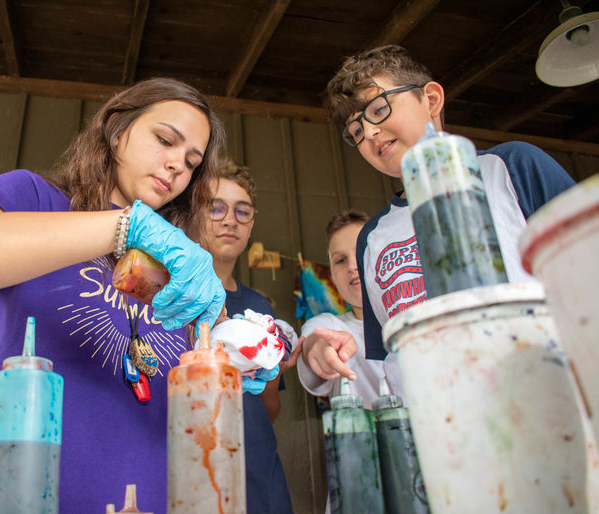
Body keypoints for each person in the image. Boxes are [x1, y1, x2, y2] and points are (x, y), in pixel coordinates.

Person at [0, 77, 227, 514]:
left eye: (191, 162)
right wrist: (122, 227)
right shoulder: (34, 199)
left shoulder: (182, 267)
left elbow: (222, 354)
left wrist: (273, 346)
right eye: (164, 140)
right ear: (116, 131)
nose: (176, 165)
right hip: (20, 498)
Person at [325, 45, 576, 362]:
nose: (370, 132)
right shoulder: (373, 238)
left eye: (377, 109)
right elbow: (391, 356)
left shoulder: (510, 168)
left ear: (430, 100)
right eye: (356, 131)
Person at [200, 156, 297, 514]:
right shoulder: (168, 296)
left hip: (258, 467)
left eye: (243, 211)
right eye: (216, 208)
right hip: (197, 462)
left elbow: (270, 406)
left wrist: (271, 372)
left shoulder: (259, 306)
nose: (230, 220)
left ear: (252, 222)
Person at [298, 210, 402, 408]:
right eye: (340, 260)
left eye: (362, 251)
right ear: (333, 277)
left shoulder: (416, 318)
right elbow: (314, 339)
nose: (353, 266)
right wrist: (321, 348)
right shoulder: (330, 324)